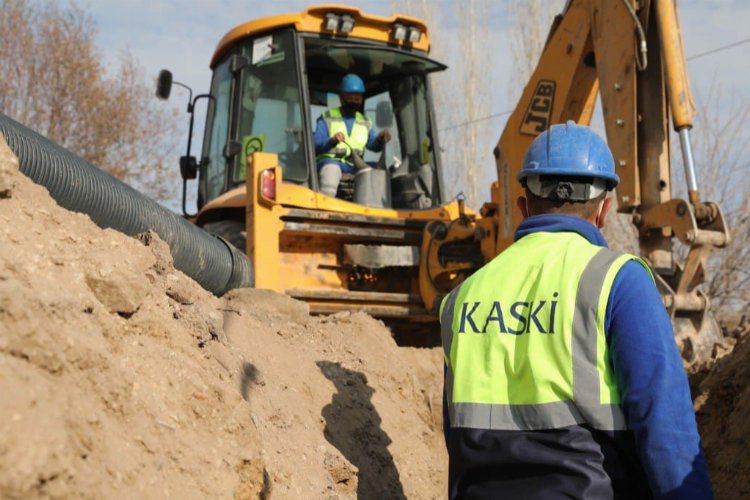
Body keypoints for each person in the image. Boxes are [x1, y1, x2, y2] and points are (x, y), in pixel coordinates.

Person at [439, 121, 713, 499]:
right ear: (604, 210)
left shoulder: (461, 298)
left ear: (522, 207)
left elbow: (456, 434)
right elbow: (666, 428)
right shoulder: (620, 281)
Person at [314, 73, 391, 197]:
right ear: (341, 98)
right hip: (332, 162)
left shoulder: (365, 122)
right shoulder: (327, 118)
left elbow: (373, 145)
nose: (354, 102)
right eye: (350, 99)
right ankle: (326, 209)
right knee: (330, 173)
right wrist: (332, 141)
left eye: (357, 99)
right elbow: (315, 144)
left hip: (355, 165)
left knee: (379, 173)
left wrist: (380, 139)